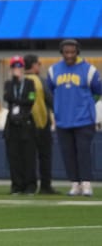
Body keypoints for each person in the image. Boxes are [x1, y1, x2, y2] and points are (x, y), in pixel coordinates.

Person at [47, 39, 102, 197]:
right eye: (66, 52)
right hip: (63, 120)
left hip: (84, 120)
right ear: (62, 53)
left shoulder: (89, 70)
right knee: (68, 154)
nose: (69, 55)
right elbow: (50, 91)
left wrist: (87, 105)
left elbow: (98, 91)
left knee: (83, 153)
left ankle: (86, 184)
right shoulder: (53, 70)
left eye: (72, 52)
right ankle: (74, 184)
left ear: (77, 52)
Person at [23, 54, 59, 194]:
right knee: (45, 156)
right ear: (33, 65)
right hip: (42, 122)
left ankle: (29, 185)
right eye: (38, 63)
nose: (40, 66)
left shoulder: (21, 80)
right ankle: (45, 185)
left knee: (28, 157)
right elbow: (51, 100)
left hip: (24, 124)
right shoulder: (41, 81)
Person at [3, 55, 37, 195]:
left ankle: (30, 185)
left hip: (26, 122)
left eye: (19, 67)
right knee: (14, 156)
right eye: (14, 67)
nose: (17, 69)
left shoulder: (29, 82)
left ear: (23, 68)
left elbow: (31, 99)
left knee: (28, 156)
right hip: (12, 123)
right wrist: (20, 99)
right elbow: (7, 97)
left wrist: (17, 99)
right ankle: (16, 185)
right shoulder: (9, 84)